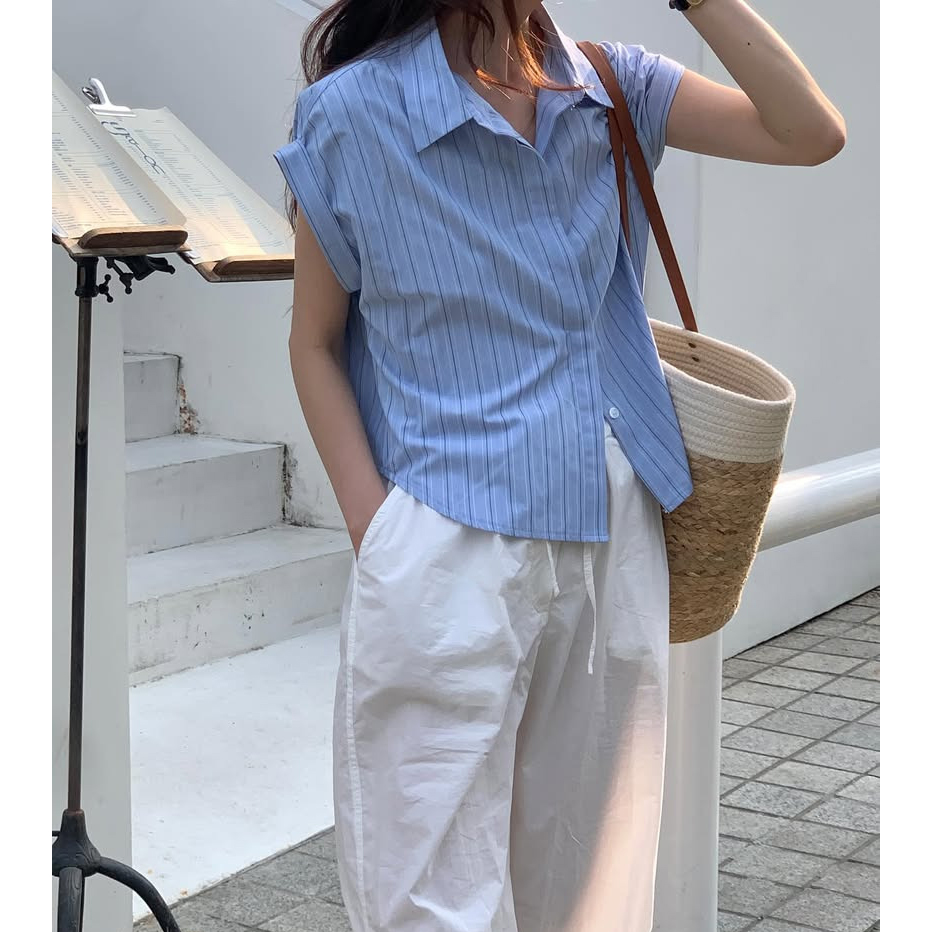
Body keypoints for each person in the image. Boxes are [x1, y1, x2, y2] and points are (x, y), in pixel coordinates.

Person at [273, 1, 844, 929]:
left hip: (612, 533)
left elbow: (809, 132)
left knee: (591, 892)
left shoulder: (610, 87)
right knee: (427, 899)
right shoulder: (353, 112)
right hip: (443, 543)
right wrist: (378, 531)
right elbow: (314, 341)